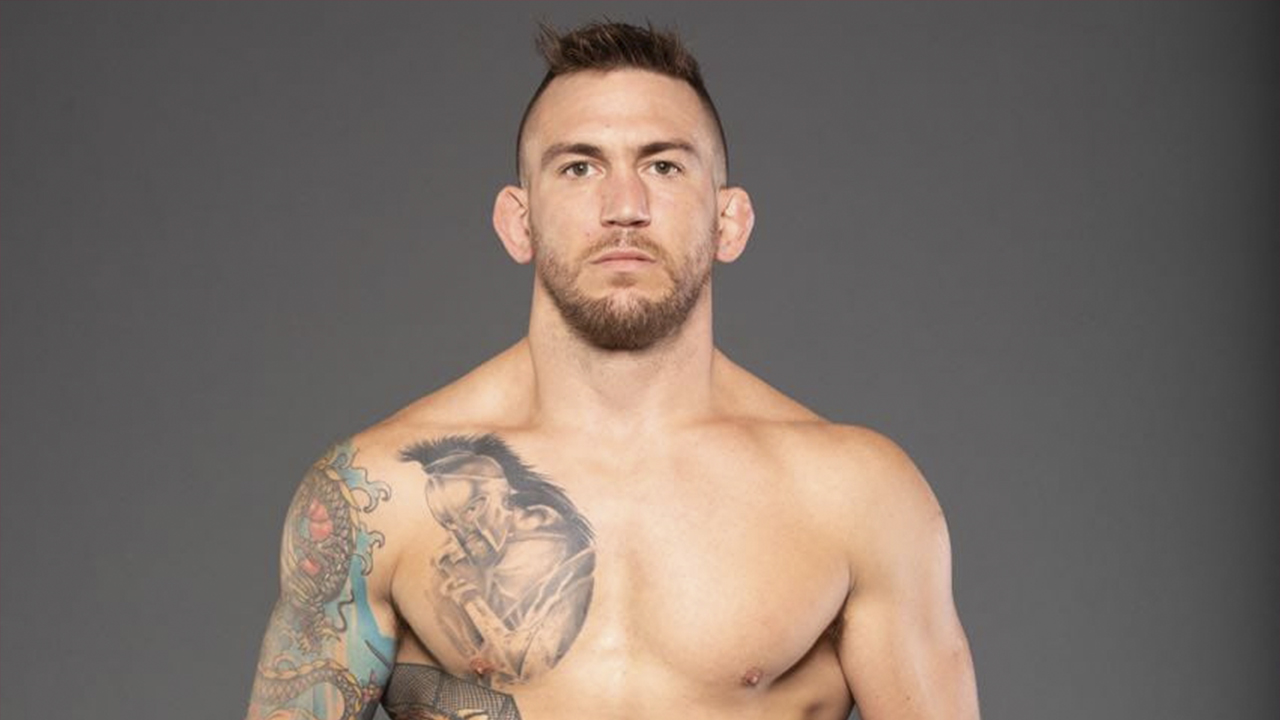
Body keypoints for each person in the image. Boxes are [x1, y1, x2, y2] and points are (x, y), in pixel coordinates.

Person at [245, 19, 980, 720]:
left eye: (663, 165)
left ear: (729, 222)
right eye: (579, 167)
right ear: (518, 222)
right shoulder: (381, 495)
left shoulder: (855, 495)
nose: (624, 206)